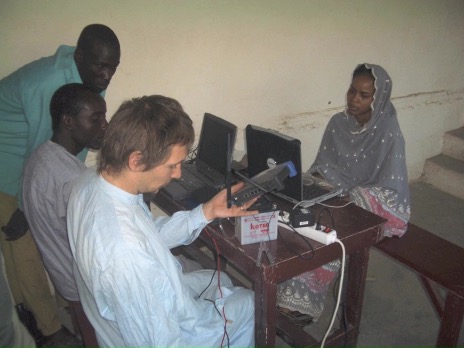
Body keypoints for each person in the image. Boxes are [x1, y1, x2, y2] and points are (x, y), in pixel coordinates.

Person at [67, 95, 257, 347]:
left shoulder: (90, 181)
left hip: (144, 305)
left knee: (218, 279)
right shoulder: (125, 252)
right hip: (166, 336)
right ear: (136, 160)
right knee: (249, 302)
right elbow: (161, 341)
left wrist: (205, 212)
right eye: (172, 166)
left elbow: (149, 236)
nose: (178, 174)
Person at [0, 24, 120, 343]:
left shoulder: (89, 76)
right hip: (4, 162)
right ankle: (49, 330)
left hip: (25, 158)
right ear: (80, 57)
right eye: (101, 66)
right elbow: (46, 159)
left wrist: (81, 189)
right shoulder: (49, 84)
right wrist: (30, 208)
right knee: (23, 240)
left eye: (113, 68)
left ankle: (51, 310)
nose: (107, 76)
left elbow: (71, 150)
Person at [277, 63, 410, 323]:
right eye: (352, 91)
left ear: (378, 98)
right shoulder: (338, 123)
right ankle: (285, 285)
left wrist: (353, 197)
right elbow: (324, 165)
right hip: (338, 191)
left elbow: (392, 190)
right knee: (298, 214)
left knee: (330, 225)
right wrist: (314, 183)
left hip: (374, 200)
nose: (354, 99)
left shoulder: (389, 132)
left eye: (364, 95)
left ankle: (302, 303)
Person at [22, 83, 107, 346]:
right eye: (96, 119)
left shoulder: (43, 155)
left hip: (65, 274)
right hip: (81, 281)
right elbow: (100, 240)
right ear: (68, 122)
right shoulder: (70, 179)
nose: (105, 125)